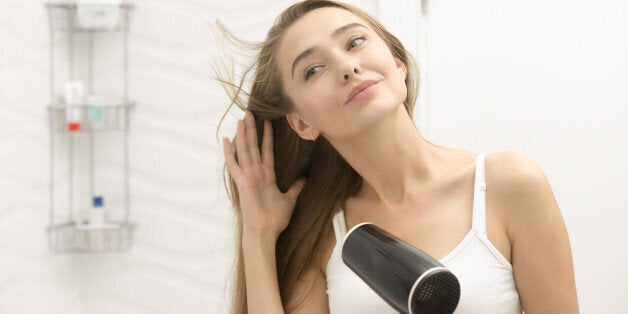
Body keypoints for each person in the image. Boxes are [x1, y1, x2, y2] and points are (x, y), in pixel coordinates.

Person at [218, 0, 579, 313]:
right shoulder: (323, 235)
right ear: (301, 123)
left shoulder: (508, 184)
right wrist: (259, 234)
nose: (347, 67)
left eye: (355, 42)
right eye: (313, 70)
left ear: (397, 64)